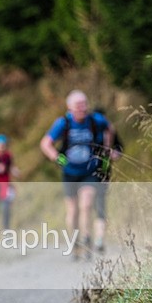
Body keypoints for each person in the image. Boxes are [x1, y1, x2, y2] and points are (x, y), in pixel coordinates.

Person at [40, 90, 110, 259]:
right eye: (78, 106)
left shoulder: (95, 120)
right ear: (69, 107)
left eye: (84, 104)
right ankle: (75, 241)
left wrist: (105, 151)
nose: (82, 108)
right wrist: (57, 158)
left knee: (86, 204)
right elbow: (46, 143)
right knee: (73, 211)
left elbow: (110, 129)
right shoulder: (63, 123)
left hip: (89, 170)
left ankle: (87, 238)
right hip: (70, 172)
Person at [91, 108, 123, 252]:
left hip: (104, 173)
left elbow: (120, 148)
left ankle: (99, 239)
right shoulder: (90, 131)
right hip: (86, 174)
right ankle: (87, 235)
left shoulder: (111, 131)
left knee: (100, 205)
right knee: (89, 204)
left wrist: (113, 154)